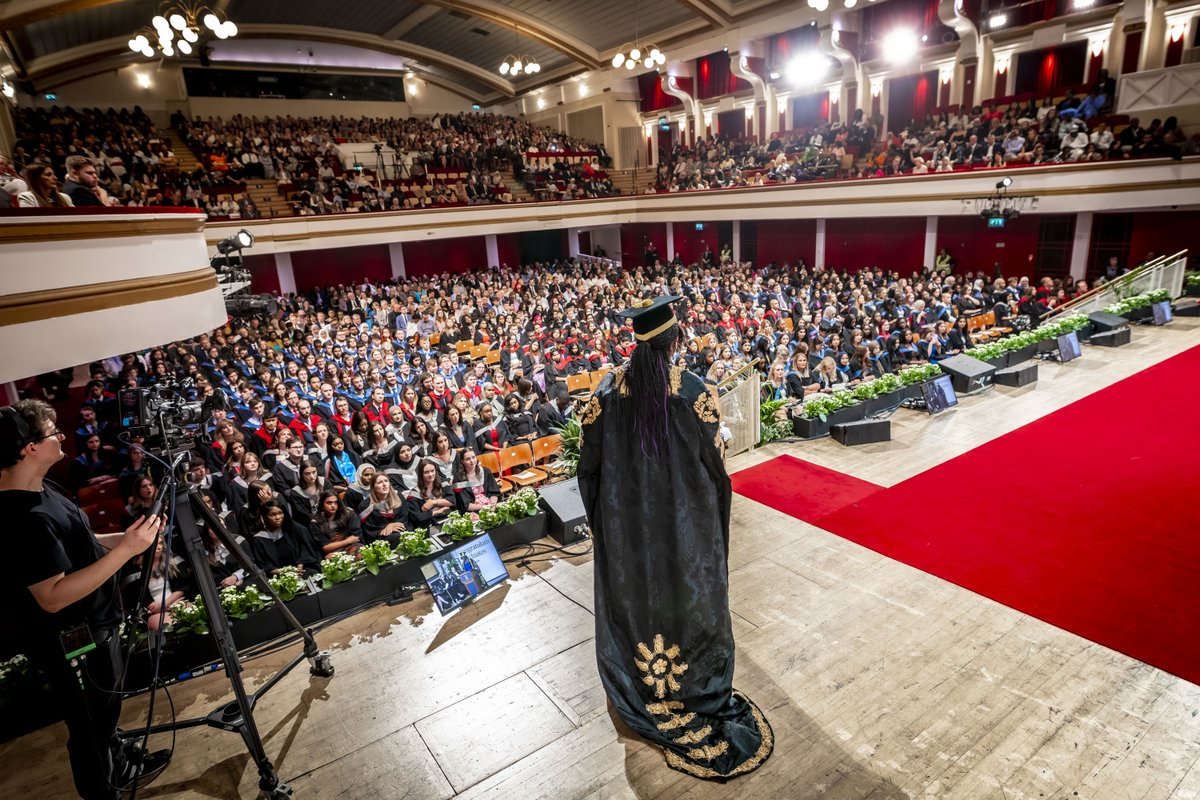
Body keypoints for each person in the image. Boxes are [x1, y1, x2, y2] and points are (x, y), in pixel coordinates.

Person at [577, 296, 773, 780]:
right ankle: (693, 680)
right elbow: (715, 468)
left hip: (627, 533)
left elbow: (588, 471)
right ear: (675, 339)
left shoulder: (603, 395)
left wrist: (609, 523)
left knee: (638, 599)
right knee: (689, 597)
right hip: (684, 530)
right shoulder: (692, 392)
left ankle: (643, 679)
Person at [0, 401, 166, 800]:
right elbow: (52, 597)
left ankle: (122, 763)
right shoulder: (22, 518)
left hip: (98, 624)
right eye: (52, 432)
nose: (61, 435)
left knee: (106, 718)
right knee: (90, 730)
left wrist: (127, 541)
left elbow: (83, 546)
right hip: (73, 642)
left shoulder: (42, 485)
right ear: (28, 448)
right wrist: (125, 551)